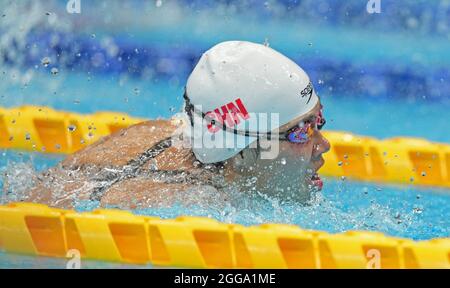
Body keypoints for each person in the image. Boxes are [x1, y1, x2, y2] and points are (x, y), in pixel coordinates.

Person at [22, 41, 330, 209]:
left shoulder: (158, 133)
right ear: (241, 149)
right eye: (301, 130)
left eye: (318, 121)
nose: (323, 144)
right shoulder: (190, 203)